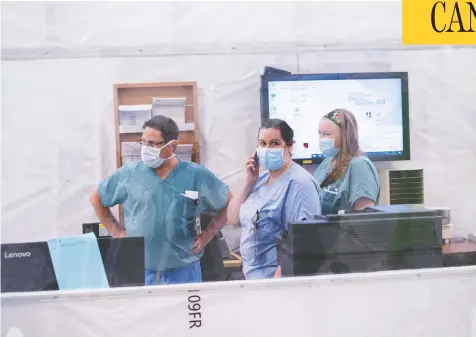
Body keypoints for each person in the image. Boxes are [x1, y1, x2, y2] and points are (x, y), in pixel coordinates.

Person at [90, 115, 232, 285]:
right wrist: (116, 231)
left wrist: (208, 235)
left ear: (172, 145)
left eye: (152, 144)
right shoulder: (129, 174)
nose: (145, 148)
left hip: (184, 269)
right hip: (141, 269)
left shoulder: (196, 175)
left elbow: (229, 201)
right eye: (143, 142)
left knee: (183, 312)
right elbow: (96, 197)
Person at [228, 119, 322, 280]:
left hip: (275, 281)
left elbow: (303, 244)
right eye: (262, 144)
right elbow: (233, 219)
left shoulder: (299, 185)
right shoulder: (260, 178)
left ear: (290, 146)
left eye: (274, 143)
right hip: (253, 277)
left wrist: (275, 288)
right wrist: (248, 183)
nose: (266, 149)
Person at [314, 109, 380, 215]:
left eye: (327, 134)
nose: (321, 139)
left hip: (344, 231)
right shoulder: (329, 161)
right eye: (320, 133)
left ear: (345, 136)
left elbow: (364, 220)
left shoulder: (360, 166)